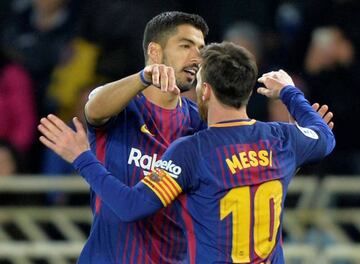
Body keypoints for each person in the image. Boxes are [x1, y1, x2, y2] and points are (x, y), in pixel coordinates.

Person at [39, 41, 335, 263]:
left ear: (205, 91)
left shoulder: (193, 151)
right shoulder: (283, 139)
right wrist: (288, 92)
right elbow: (324, 136)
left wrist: (83, 158)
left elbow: (131, 206)